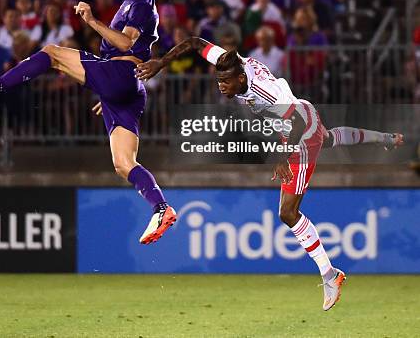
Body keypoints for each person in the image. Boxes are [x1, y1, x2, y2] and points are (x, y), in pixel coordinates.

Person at [136, 38, 403, 310]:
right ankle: (384, 138)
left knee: (288, 212)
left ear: (241, 78)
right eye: (218, 81)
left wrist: (280, 157)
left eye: (226, 82)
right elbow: (193, 43)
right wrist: (161, 63)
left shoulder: (266, 93)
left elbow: (295, 122)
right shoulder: (231, 63)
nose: (221, 86)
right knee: (331, 138)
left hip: (301, 131)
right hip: (299, 113)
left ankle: (329, 274)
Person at [0, 0, 177, 245]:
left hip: (120, 76)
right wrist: (108, 91)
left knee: (52, 53)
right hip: (126, 88)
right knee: (123, 163)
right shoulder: (135, 2)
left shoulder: (142, 4)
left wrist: (91, 20)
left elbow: (127, 45)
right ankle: (160, 207)